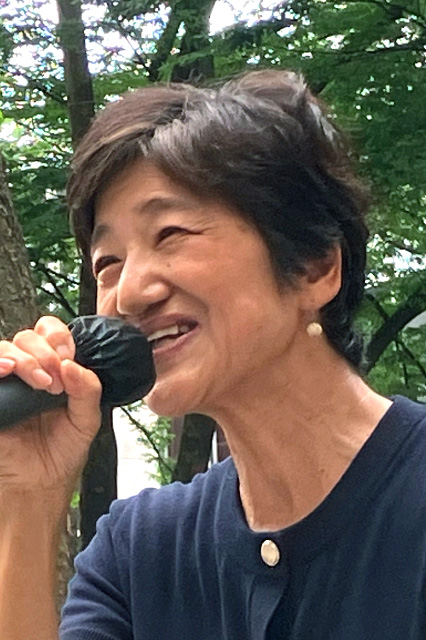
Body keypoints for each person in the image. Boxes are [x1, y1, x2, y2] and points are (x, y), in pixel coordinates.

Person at [0, 70, 425, 640]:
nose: (129, 294)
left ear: (316, 265)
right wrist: (30, 499)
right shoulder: (138, 550)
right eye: (108, 263)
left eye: (171, 233)